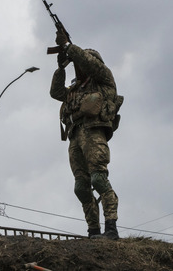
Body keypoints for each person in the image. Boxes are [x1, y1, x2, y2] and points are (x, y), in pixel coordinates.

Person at [49, 30, 121, 240]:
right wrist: (61, 67)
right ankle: (93, 230)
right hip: (75, 137)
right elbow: (55, 93)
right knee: (81, 187)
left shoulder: (104, 79)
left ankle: (111, 228)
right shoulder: (76, 89)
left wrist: (69, 46)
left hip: (94, 133)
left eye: (82, 63)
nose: (79, 67)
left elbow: (89, 63)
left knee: (99, 178)